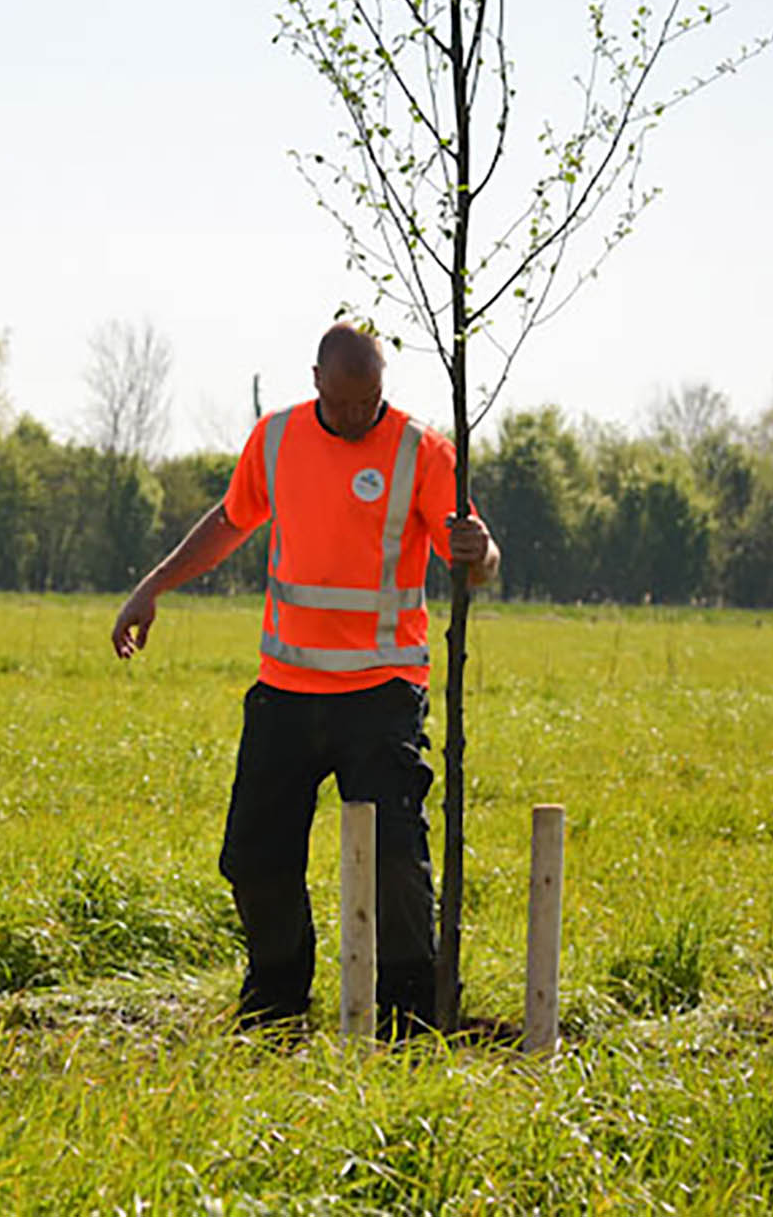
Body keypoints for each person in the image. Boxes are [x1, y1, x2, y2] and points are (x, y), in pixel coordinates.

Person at [110, 323, 499, 1034]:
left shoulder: (422, 451)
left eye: (371, 401)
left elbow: (471, 555)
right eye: (346, 401)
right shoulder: (277, 439)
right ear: (316, 378)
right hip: (285, 691)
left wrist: (484, 550)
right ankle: (277, 1003)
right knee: (252, 855)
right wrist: (153, 586)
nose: (358, 417)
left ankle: (411, 1013)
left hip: (382, 693)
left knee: (392, 859)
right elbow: (231, 520)